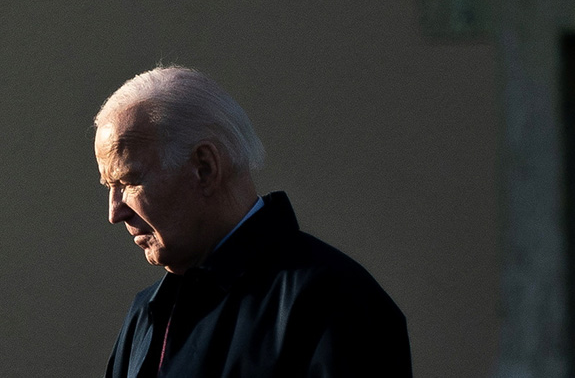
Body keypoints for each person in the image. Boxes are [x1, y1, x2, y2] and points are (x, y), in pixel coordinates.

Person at [94, 66, 412, 377]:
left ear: (204, 168)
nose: (115, 212)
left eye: (128, 181)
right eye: (109, 188)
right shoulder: (146, 313)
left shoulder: (335, 300)